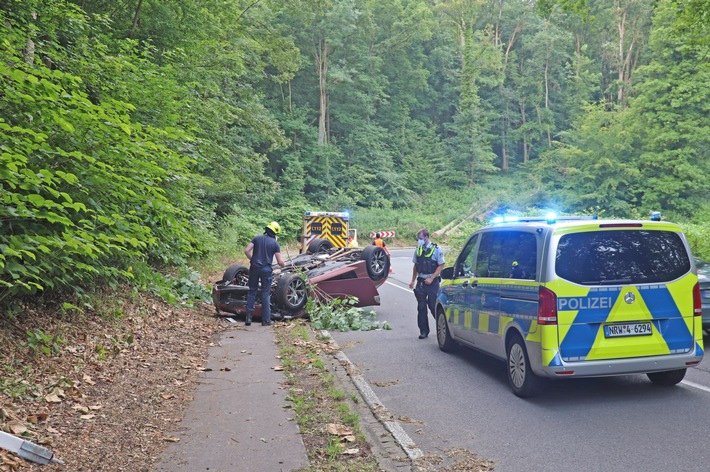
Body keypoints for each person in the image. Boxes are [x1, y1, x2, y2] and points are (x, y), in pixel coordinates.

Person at [243, 221, 286, 326]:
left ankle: (248, 318)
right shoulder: (275, 243)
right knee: (265, 294)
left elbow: (246, 251)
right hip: (266, 270)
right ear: (275, 233)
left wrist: (252, 260)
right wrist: (283, 265)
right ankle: (266, 320)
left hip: (254, 268)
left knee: (252, 291)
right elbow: (280, 262)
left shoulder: (257, 238)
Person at [408, 229, 445, 339]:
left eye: (420, 238)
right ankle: (423, 331)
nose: (419, 240)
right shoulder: (418, 249)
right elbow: (415, 266)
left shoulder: (437, 249)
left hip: (432, 282)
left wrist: (432, 277)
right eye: (418, 238)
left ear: (426, 237)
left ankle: (443, 328)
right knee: (421, 307)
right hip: (421, 282)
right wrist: (413, 280)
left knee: (433, 306)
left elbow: (441, 265)